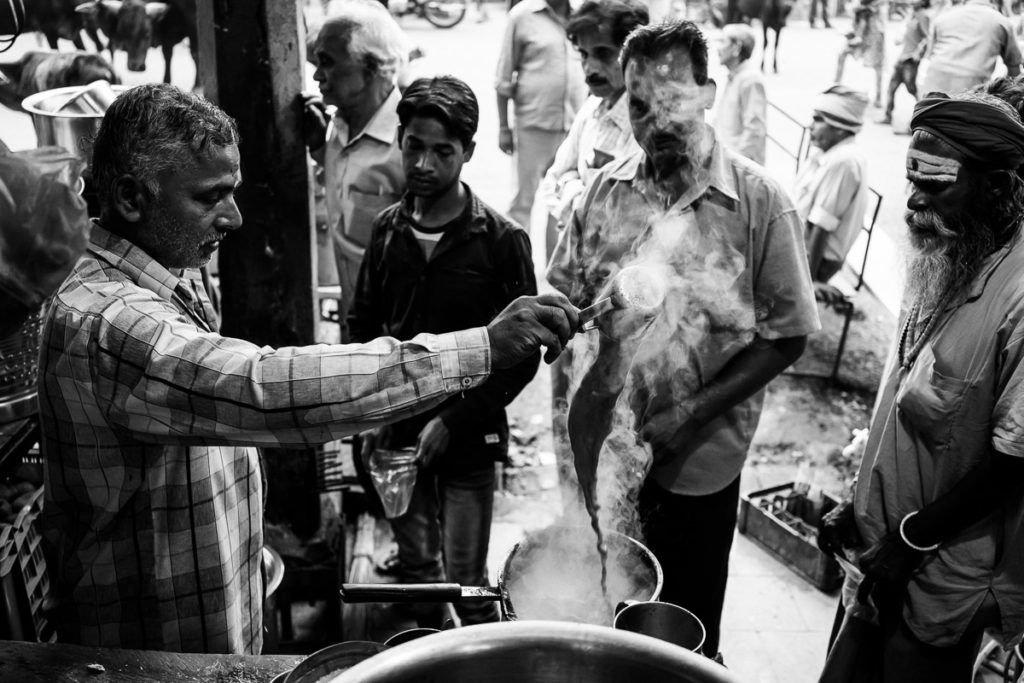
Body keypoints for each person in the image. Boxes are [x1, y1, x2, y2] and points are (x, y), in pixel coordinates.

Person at [37, 83, 579, 655]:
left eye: (232, 192)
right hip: (146, 656)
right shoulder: (112, 323)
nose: (234, 218)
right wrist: (480, 347)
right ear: (130, 197)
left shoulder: (164, 271)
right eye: (210, 197)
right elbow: (263, 388)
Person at [547, 20, 820, 659]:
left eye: (672, 99)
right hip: (603, 452)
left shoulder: (759, 203)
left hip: (700, 465)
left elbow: (787, 337)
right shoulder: (603, 192)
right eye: (641, 105)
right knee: (606, 614)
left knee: (683, 634)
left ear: (708, 92)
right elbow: (567, 308)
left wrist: (690, 412)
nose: (657, 122)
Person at [818, 88, 1024, 682]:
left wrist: (910, 541)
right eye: (912, 179)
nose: (913, 200)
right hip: (876, 555)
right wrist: (858, 501)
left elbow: (1014, 459)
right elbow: (905, 403)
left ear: (996, 188)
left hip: (936, 576)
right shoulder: (943, 250)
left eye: (935, 185)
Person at [348, 76, 537, 628]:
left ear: (468, 152)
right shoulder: (387, 231)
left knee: (468, 581)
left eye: (442, 151)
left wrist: (453, 420)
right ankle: (432, 648)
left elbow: (522, 356)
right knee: (418, 571)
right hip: (395, 437)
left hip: (470, 442)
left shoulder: (501, 241)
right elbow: (363, 328)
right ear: (399, 140)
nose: (424, 164)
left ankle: (475, 651)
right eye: (414, 146)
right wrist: (371, 415)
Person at [535, 0, 648, 502]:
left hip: (617, 304)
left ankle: (602, 518)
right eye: (583, 54)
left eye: (602, 53)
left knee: (607, 419)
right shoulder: (592, 110)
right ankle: (571, 518)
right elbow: (554, 177)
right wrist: (577, 197)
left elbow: (624, 214)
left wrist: (578, 198)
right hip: (573, 291)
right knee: (564, 406)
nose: (589, 67)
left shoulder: (644, 125)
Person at [302, 0, 409, 342]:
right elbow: (351, 180)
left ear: (372, 67)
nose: (317, 75)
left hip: (395, 331)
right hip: (355, 317)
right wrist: (320, 150)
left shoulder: (410, 144)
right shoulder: (340, 125)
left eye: (327, 62)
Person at [495, 0, 587, 236]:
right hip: (533, 125)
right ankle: (516, 258)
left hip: (573, 127)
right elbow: (503, 77)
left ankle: (554, 262)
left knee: (561, 205)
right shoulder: (522, 15)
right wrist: (504, 127)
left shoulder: (583, 13)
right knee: (522, 203)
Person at [794, 85, 870, 290]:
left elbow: (820, 226)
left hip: (815, 259)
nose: (811, 126)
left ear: (839, 128)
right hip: (802, 248)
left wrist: (807, 285)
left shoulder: (844, 161)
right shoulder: (826, 153)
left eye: (819, 120)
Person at [920, 0, 1021, 96]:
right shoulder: (1002, 22)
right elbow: (1014, 70)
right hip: (970, 93)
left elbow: (928, 57)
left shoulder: (943, 17)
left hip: (931, 87)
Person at [714, 23, 767, 165]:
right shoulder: (735, 76)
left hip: (738, 167)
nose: (718, 48)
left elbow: (754, 131)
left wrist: (736, 165)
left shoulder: (750, 80)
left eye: (723, 42)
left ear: (736, 47)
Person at [879, 0, 931, 125]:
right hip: (902, 58)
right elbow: (907, 33)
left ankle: (924, 115)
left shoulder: (923, 16)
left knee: (911, 89)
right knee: (891, 87)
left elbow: (928, 37)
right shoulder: (911, 15)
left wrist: (917, 53)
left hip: (910, 61)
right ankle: (888, 116)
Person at [835, 0, 886, 108]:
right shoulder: (862, 10)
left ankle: (878, 98)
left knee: (878, 68)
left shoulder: (866, 11)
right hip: (868, 36)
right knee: (842, 55)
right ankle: (836, 85)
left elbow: (862, 27)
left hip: (873, 38)